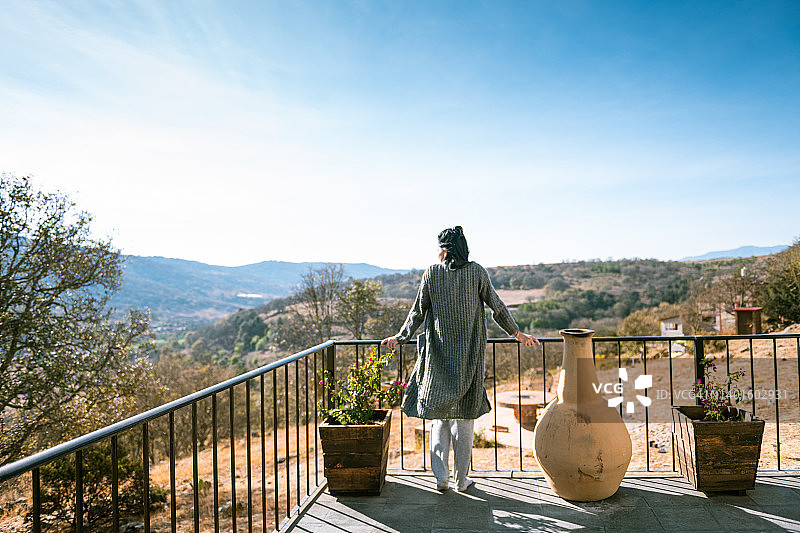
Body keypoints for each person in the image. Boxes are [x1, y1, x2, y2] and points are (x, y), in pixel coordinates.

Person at [382, 226, 538, 492]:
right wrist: (517, 333)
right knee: (465, 418)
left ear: (446, 249)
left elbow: (417, 312)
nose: (438, 252)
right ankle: (460, 480)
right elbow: (497, 307)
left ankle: (441, 477)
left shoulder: (432, 273)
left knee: (439, 418)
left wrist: (401, 337)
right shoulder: (476, 271)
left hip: (437, 357)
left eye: (440, 247)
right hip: (469, 356)